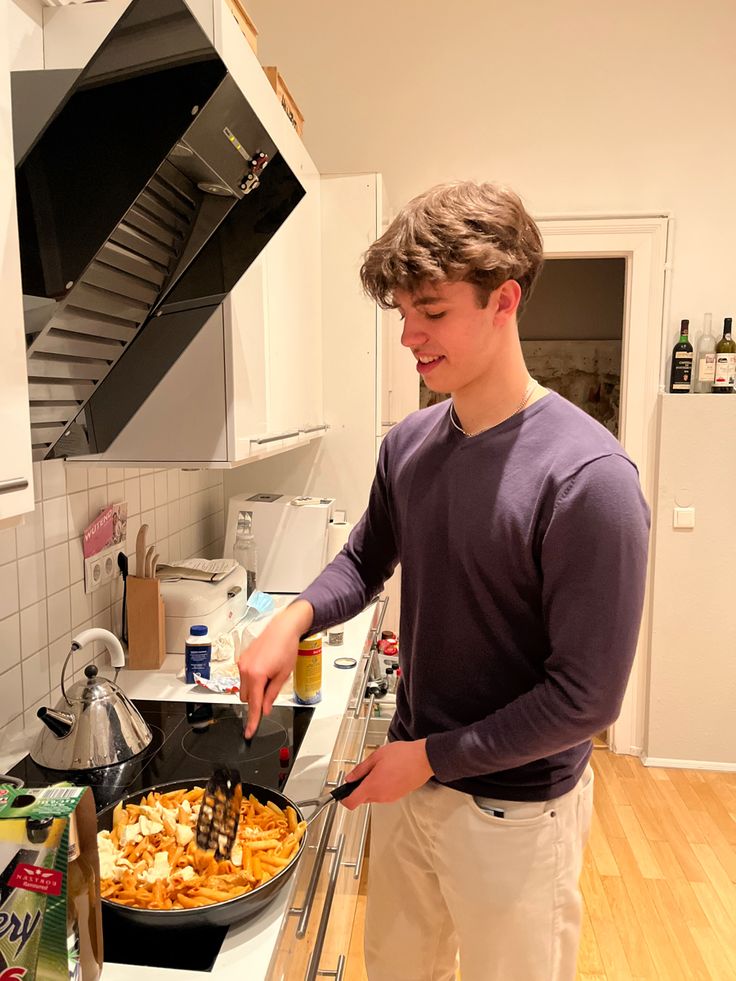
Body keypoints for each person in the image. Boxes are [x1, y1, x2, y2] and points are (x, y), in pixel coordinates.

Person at [238, 180, 650, 981]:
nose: (409, 336)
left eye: (431, 310)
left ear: (504, 300)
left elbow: (587, 699)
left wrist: (432, 757)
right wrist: (290, 619)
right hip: (411, 782)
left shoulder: (589, 477)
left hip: (516, 814)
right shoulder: (412, 445)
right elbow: (365, 559)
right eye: (401, 312)